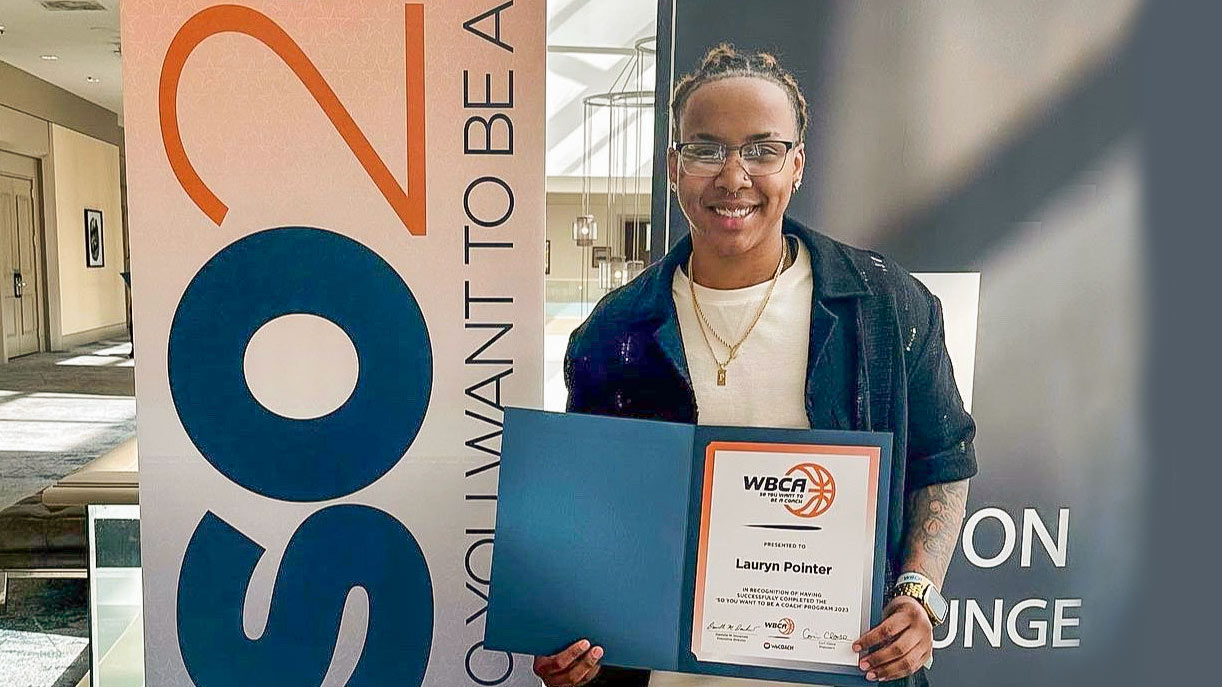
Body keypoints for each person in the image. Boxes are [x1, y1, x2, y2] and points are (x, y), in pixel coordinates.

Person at [533, 44, 976, 687]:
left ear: (796, 166)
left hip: (846, 670)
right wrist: (569, 642)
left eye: (763, 150)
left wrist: (917, 593)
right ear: (673, 167)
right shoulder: (612, 333)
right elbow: (594, 515)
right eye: (706, 149)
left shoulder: (884, 306)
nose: (734, 177)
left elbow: (944, 458)